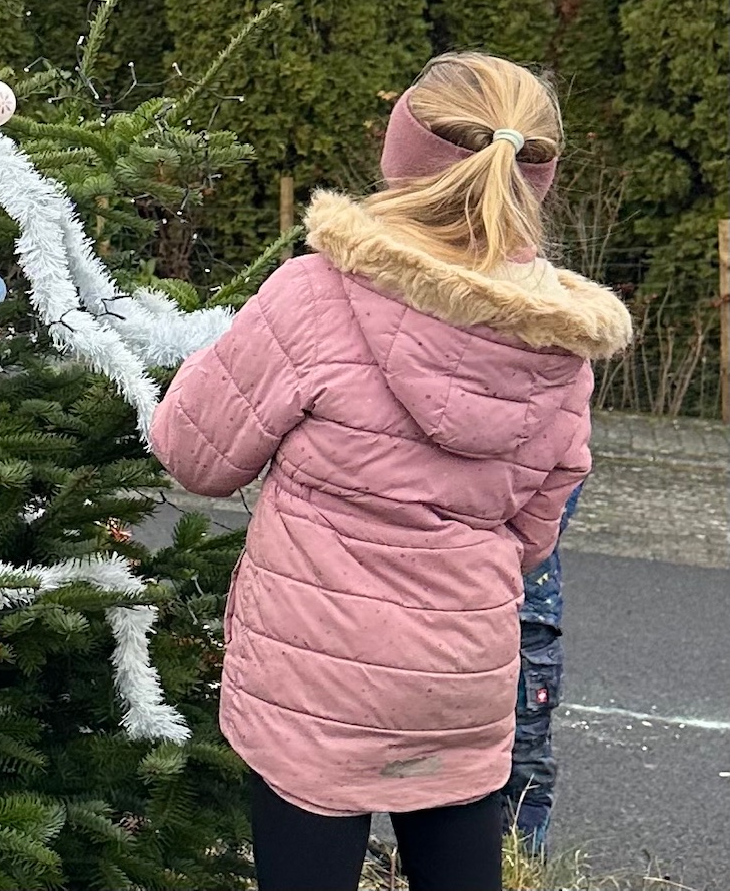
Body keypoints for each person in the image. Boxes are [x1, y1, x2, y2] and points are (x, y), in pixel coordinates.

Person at [149, 53, 632, 891]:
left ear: (401, 151)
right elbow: (537, 529)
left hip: (315, 678)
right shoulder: (562, 341)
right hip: (461, 674)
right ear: (536, 176)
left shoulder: (315, 295)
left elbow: (195, 455)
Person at [502, 483, 581, 855]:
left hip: (524, 613)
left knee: (522, 770)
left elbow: (549, 514)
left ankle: (518, 868)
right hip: (518, 606)